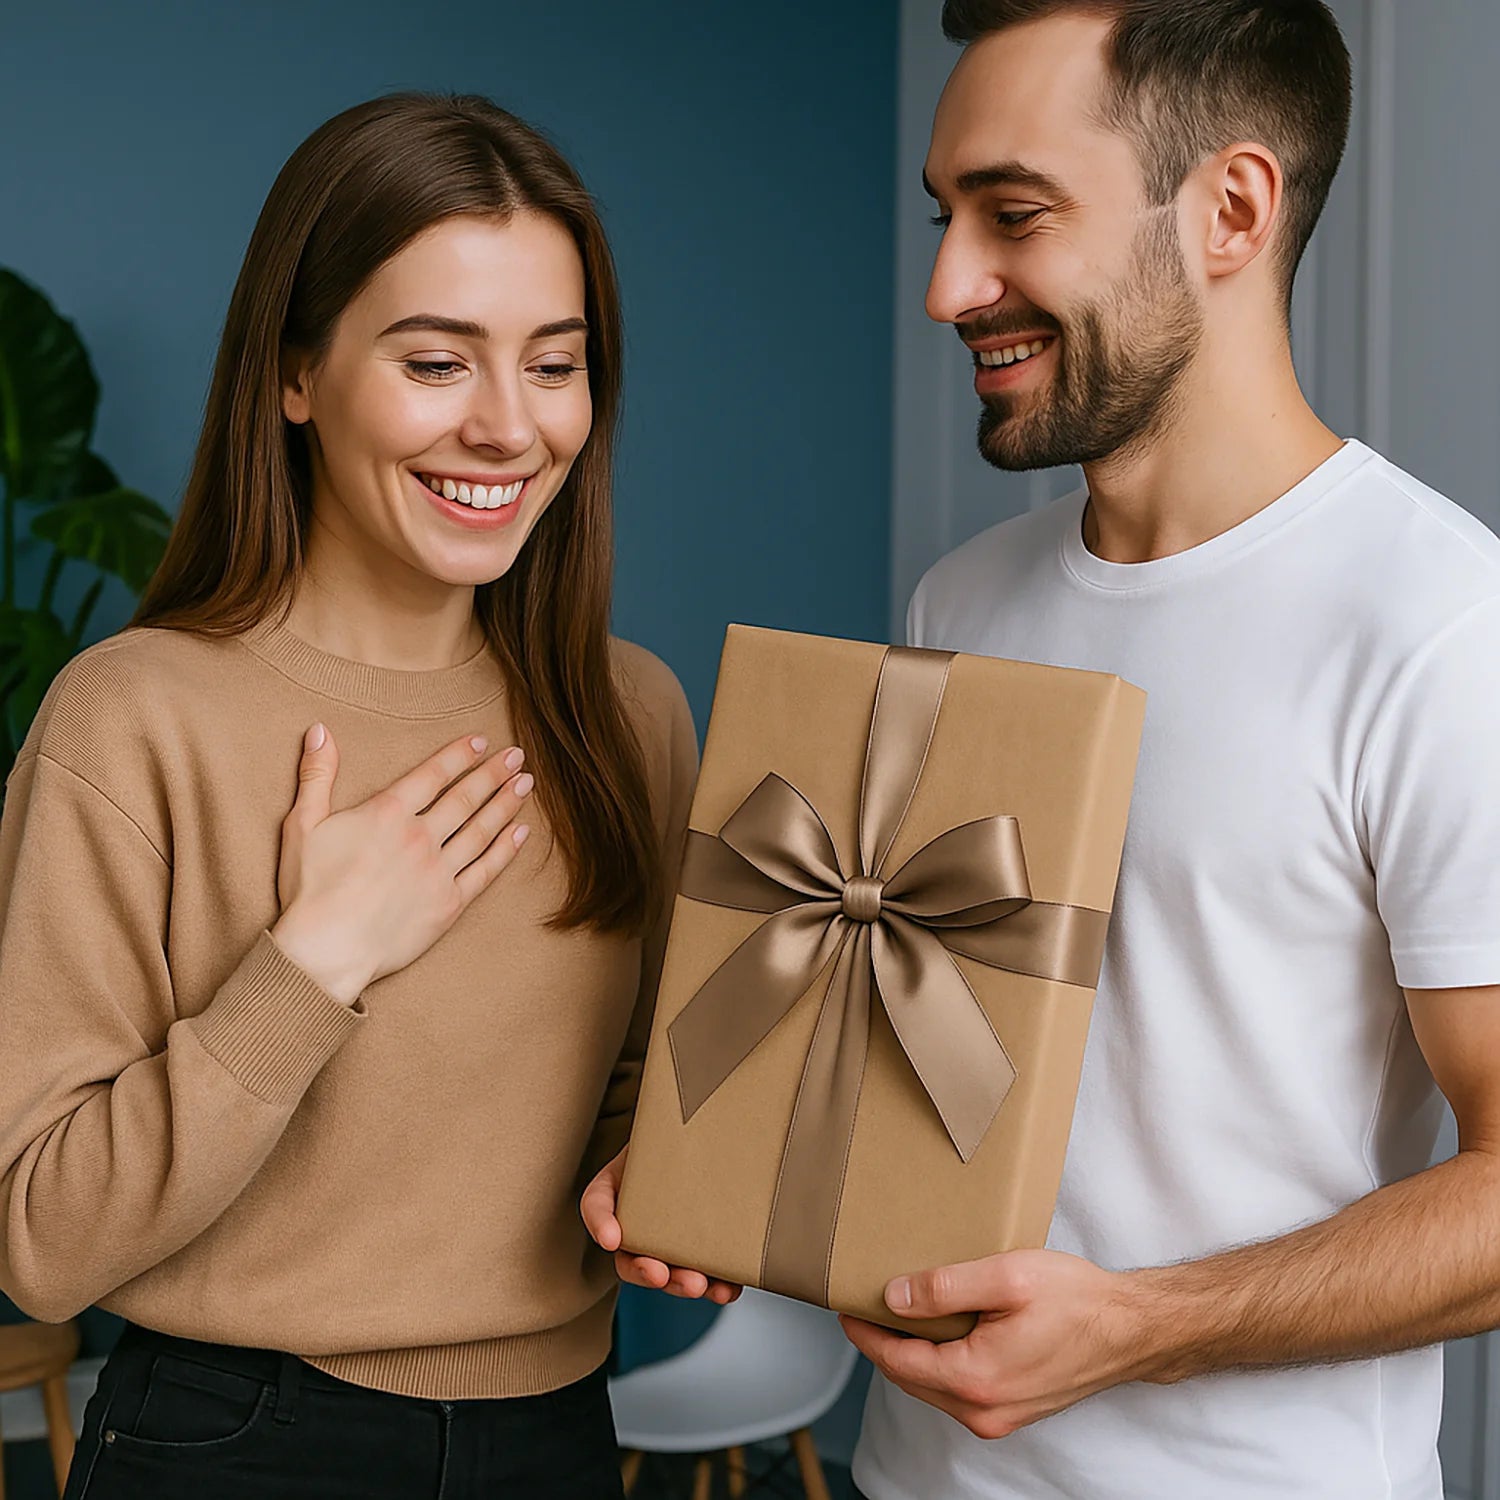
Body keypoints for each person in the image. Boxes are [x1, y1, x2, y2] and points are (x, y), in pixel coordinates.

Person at [585, 3, 1500, 1498]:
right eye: (944, 218)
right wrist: (732, 1182)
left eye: (1013, 215)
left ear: (1232, 209)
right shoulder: (972, 595)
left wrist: (1140, 1331)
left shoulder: (1444, 628)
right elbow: (942, 1051)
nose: (948, 285)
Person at [0, 92, 696, 1500]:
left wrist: (686, 1186)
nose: (509, 428)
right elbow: (42, 1241)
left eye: (555, 364)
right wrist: (314, 960)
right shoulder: (132, 718)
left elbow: (638, 1096)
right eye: (438, 362)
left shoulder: (632, 715)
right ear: (295, 373)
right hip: (233, 1446)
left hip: (559, 1439)